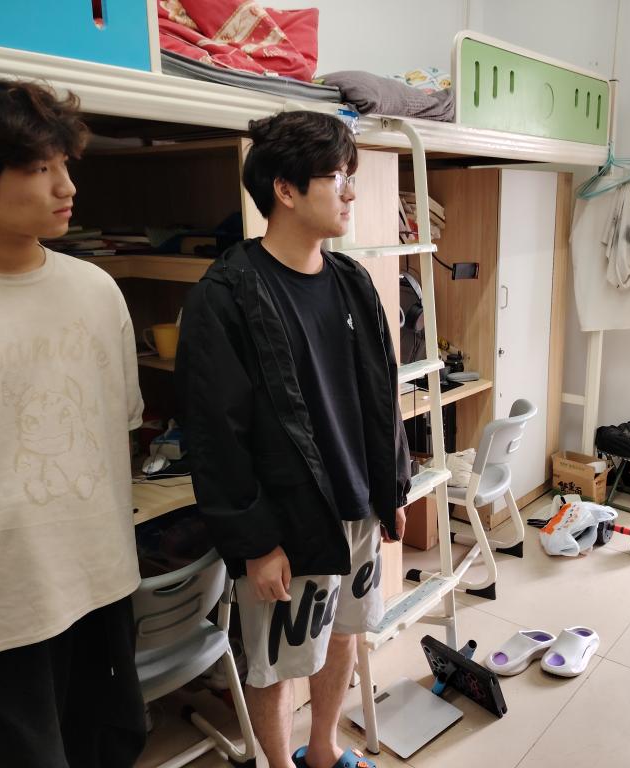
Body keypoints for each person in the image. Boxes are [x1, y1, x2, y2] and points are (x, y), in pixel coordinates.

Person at [0, 77, 147, 766]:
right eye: (39, 168)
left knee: (107, 748)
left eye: (64, 163)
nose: (67, 186)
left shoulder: (96, 290)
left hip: (101, 589)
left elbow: (116, 435)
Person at [176, 110, 410, 768]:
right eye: (337, 176)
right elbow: (215, 435)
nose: (351, 191)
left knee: (344, 633)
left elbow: (381, 396)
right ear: (285, 189)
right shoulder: (225, 297)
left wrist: (392, 486)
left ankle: (324, 749)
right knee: (277, 662)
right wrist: (255, 542)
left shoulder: (352, 281)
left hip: (358, 506)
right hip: (286, 521)